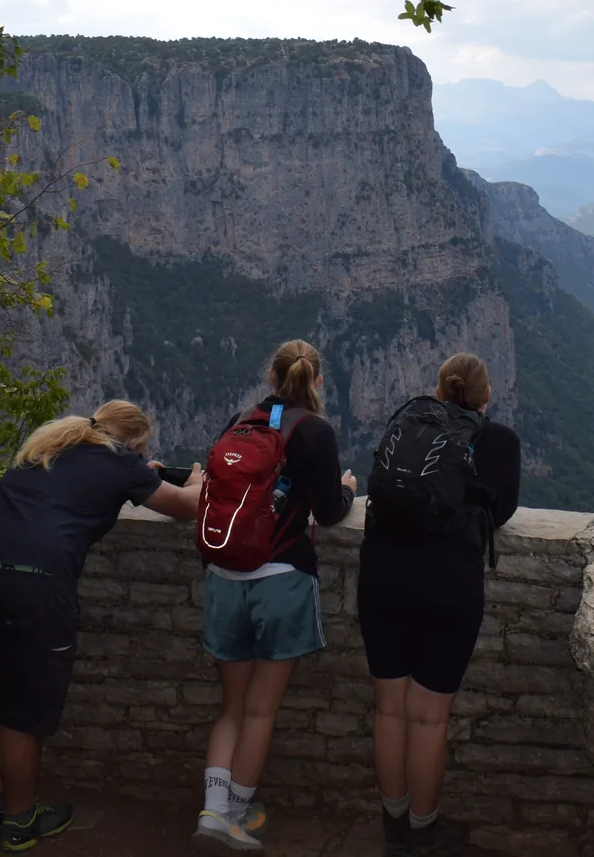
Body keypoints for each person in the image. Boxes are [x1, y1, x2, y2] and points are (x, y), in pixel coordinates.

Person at [0, 400, 203, 853]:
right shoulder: (122, 463)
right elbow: (186, 506)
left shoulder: (50, 448)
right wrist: (199, 477)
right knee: (23, 713)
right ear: (134, 442)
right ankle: (20, 821)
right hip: (32, 581)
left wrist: (143, 472)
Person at [193, 340, 356, 851]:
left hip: (224, 575)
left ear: (272, 376)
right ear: (318, 381)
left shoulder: (241, 419)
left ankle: (212, 813)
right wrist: (348, 487)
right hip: (281, 576)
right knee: (262, 710)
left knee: (232, 707)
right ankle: (235, 818)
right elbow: (329, 512)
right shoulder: (316, 431)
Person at [358, 354, 521, 856]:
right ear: (485, 395)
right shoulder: (497, 440)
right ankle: (422, 833)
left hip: (382, 571)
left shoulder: (409, 419)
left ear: (439, 388)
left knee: (389, 709)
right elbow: (503, 510)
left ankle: (393, 824)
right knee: (428, 717)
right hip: (448, 579)